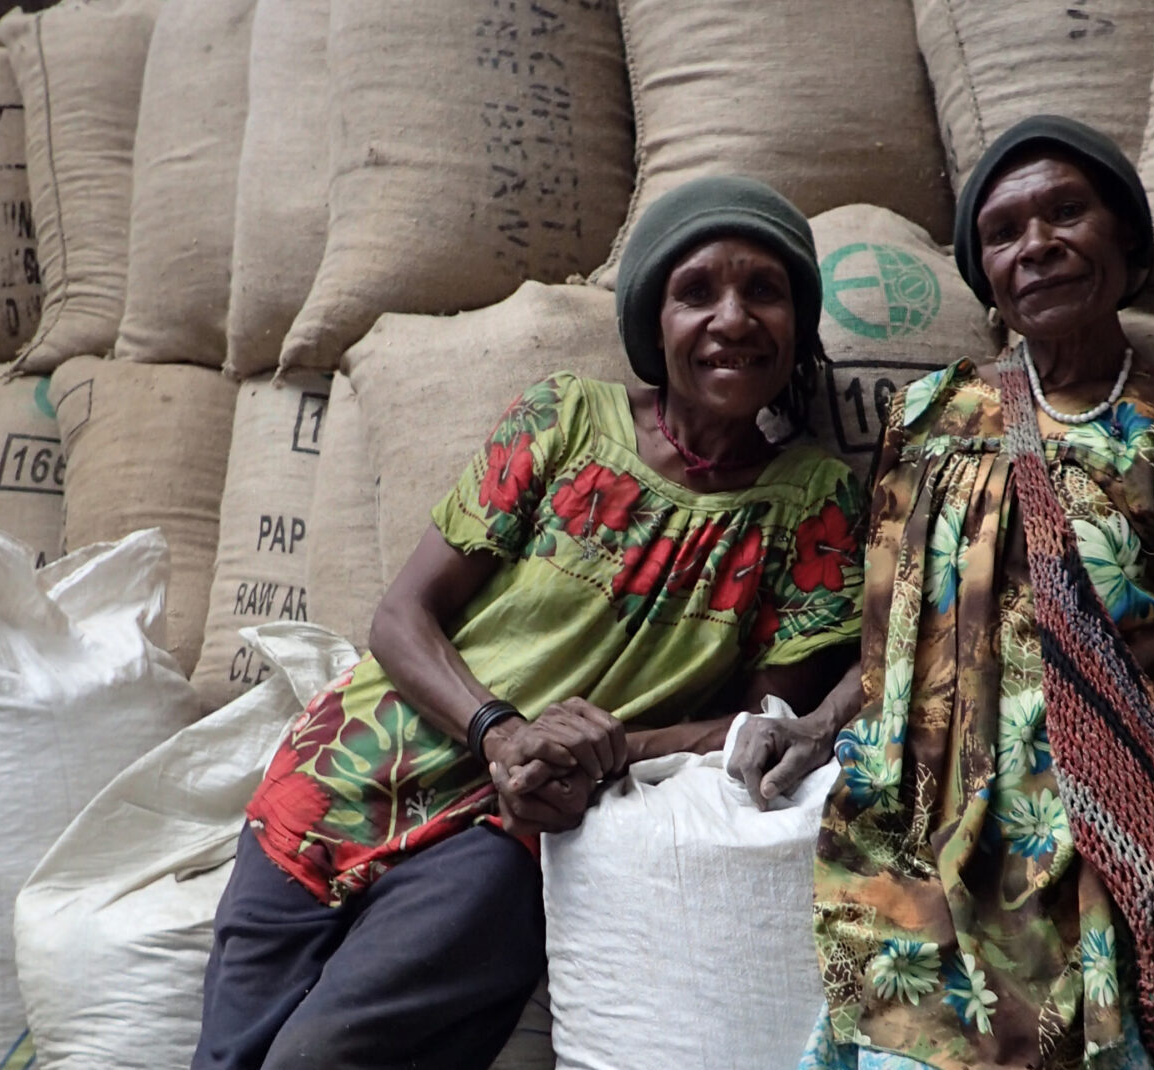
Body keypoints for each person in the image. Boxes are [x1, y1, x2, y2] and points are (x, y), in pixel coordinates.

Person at [190, 176, 867, 1070]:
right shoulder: (564, 418)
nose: (732, 318)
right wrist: (499, 730)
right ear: (650, 322)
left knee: (320, 1060)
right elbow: (401, 617)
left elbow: (757, 735)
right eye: (695, 291)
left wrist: (608, 748)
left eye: (764, 293)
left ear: (797, 323)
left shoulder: (811, 503)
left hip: (512, 827)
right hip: (344, 773)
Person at [730, 117, 1154, 1070]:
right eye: (1005, 231)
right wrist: (815, 728)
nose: (1038, 244)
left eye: (1066, 212)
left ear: (1125, 241)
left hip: (1113, 839)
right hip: (928, 840)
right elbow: (899, 647)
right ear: (985, 276)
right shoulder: (931, 417)